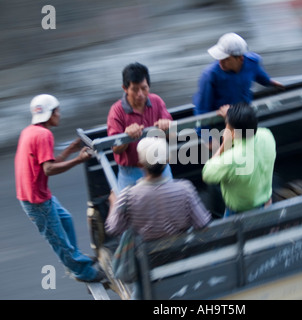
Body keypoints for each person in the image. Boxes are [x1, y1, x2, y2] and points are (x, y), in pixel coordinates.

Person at [15, 94, 105, 282]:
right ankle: (82, 272)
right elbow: (49, 169)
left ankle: (76, 258)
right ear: (50, 114)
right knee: (58, 240)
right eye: (58, 111)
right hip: (36, 200)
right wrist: (78, 159)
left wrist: (70, 150)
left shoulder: (30, 131)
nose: (60, 114)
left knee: (66, 220)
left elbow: (46, 162)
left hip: (37, 194)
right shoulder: (44, 135)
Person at [106, 137, 212, 242]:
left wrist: (114, 202)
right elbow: (202, 223)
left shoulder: (127, 197)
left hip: (146, 255)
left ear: (140, 165)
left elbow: (113, 228)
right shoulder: (185, 189)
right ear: (167, 161)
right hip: (181, 251)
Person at [107, 62, 174, 191]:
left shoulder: (157, 101)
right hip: (131, 173)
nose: (140, 94)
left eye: (144, 88)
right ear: (125, 88)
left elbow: (173, 136)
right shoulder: (116, 111)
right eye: (135, 89)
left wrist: (167, 127)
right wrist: (126, 137)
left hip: (159, 166)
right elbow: (116, 149)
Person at [202, 102, 276, 217]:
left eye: (227, 126)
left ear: (232, 133)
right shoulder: (267, 135)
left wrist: (224, 145)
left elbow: (207, 173)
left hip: (240, 215)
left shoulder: (232, 159)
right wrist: (232, 118)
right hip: (267, 205)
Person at [193, 32, 284, 117]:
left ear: (240, 58)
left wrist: (270, 83)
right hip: (222, 123)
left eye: (226, 59)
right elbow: (202, 110)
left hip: (245, 117)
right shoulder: (210, 75)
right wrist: (204, 134)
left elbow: (260, 75)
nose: (221, 62)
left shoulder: (252, 63)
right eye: (219, 58)